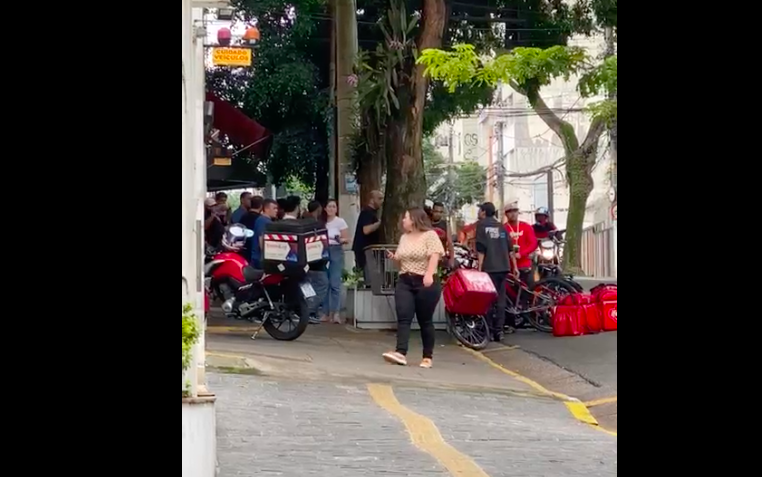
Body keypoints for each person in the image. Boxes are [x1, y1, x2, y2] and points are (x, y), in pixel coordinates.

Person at [382, 208, 445, 369]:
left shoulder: (430, 235)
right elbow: (401, 261)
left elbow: (435, 255)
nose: (403, 220)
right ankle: (400, 352)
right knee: (404, 316)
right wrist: (395, 258)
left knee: (425, 320)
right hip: (405, 280)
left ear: (415, 220)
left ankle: (427, 356)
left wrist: (429, 275)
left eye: (406, 218)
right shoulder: (404, 238)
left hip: (425, 281)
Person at [476, 202, 517, 341]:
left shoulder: (481, 226)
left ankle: (488, 330)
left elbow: (481, 249)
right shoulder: (501, 226)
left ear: (483, 212)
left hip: (490, 267)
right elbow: (511, 249)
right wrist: (515, 267)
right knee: (500, 299)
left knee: (487, 300)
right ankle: (499, 332)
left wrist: (479, 268)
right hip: (503, 267)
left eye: (480, 210)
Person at [323, 199, 350, 324]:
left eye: (334, 206)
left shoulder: (340, 222)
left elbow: (347, 238)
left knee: (335, 283)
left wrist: (339, 239)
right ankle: (325, 313)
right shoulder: (322, 223)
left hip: (335, 250)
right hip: (323, 251)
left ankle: (336, 313)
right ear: (325, 208)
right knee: (324, 283)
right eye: (329, 206)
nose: (331, 209)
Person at [304, 200, 329, 324]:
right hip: (317, 261)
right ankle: (309, 310)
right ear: (318, 209)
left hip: (305, 262)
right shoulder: (318, 224)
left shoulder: (303, 223)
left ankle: (307, 311)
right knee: (323, 284)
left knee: (308, 286)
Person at [352, 190, 384, 285]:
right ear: (371, 200)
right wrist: (379, 223)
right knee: (370, 278)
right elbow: (366, 230)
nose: (381, 201)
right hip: (365, 250)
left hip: (368, 250)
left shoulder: (372, 213)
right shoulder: (367, 212)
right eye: (379, 198)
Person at [504, 201, 537, 286]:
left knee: (528, 289)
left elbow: (533, 243)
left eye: (515, 211)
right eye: (510, 211)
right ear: (506, 214)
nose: (513, 214)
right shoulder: (503, 228)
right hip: (509, 266)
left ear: (518, 212)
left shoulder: (526, 226)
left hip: (525, 264)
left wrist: (522, 254)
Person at [252, 199, 279, 268]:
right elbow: (262, 241)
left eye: (277, 208)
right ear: (266, 209)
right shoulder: (264, 222)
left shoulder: (262, 220)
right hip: (260, 259)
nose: (276, 210)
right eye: (274, 208)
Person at [430, 202, 455, 268]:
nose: (438, 214)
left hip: (440, 258)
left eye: (441, 212)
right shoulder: (426, 224)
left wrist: (452, 259)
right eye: (436, 211)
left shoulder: (445, 225)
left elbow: (450, 243)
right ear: (432, 211)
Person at [239, 196, 263, 261]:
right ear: (261, 206)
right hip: (255, 251)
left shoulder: (243, 217)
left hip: (243, 249)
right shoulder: (260, 219)